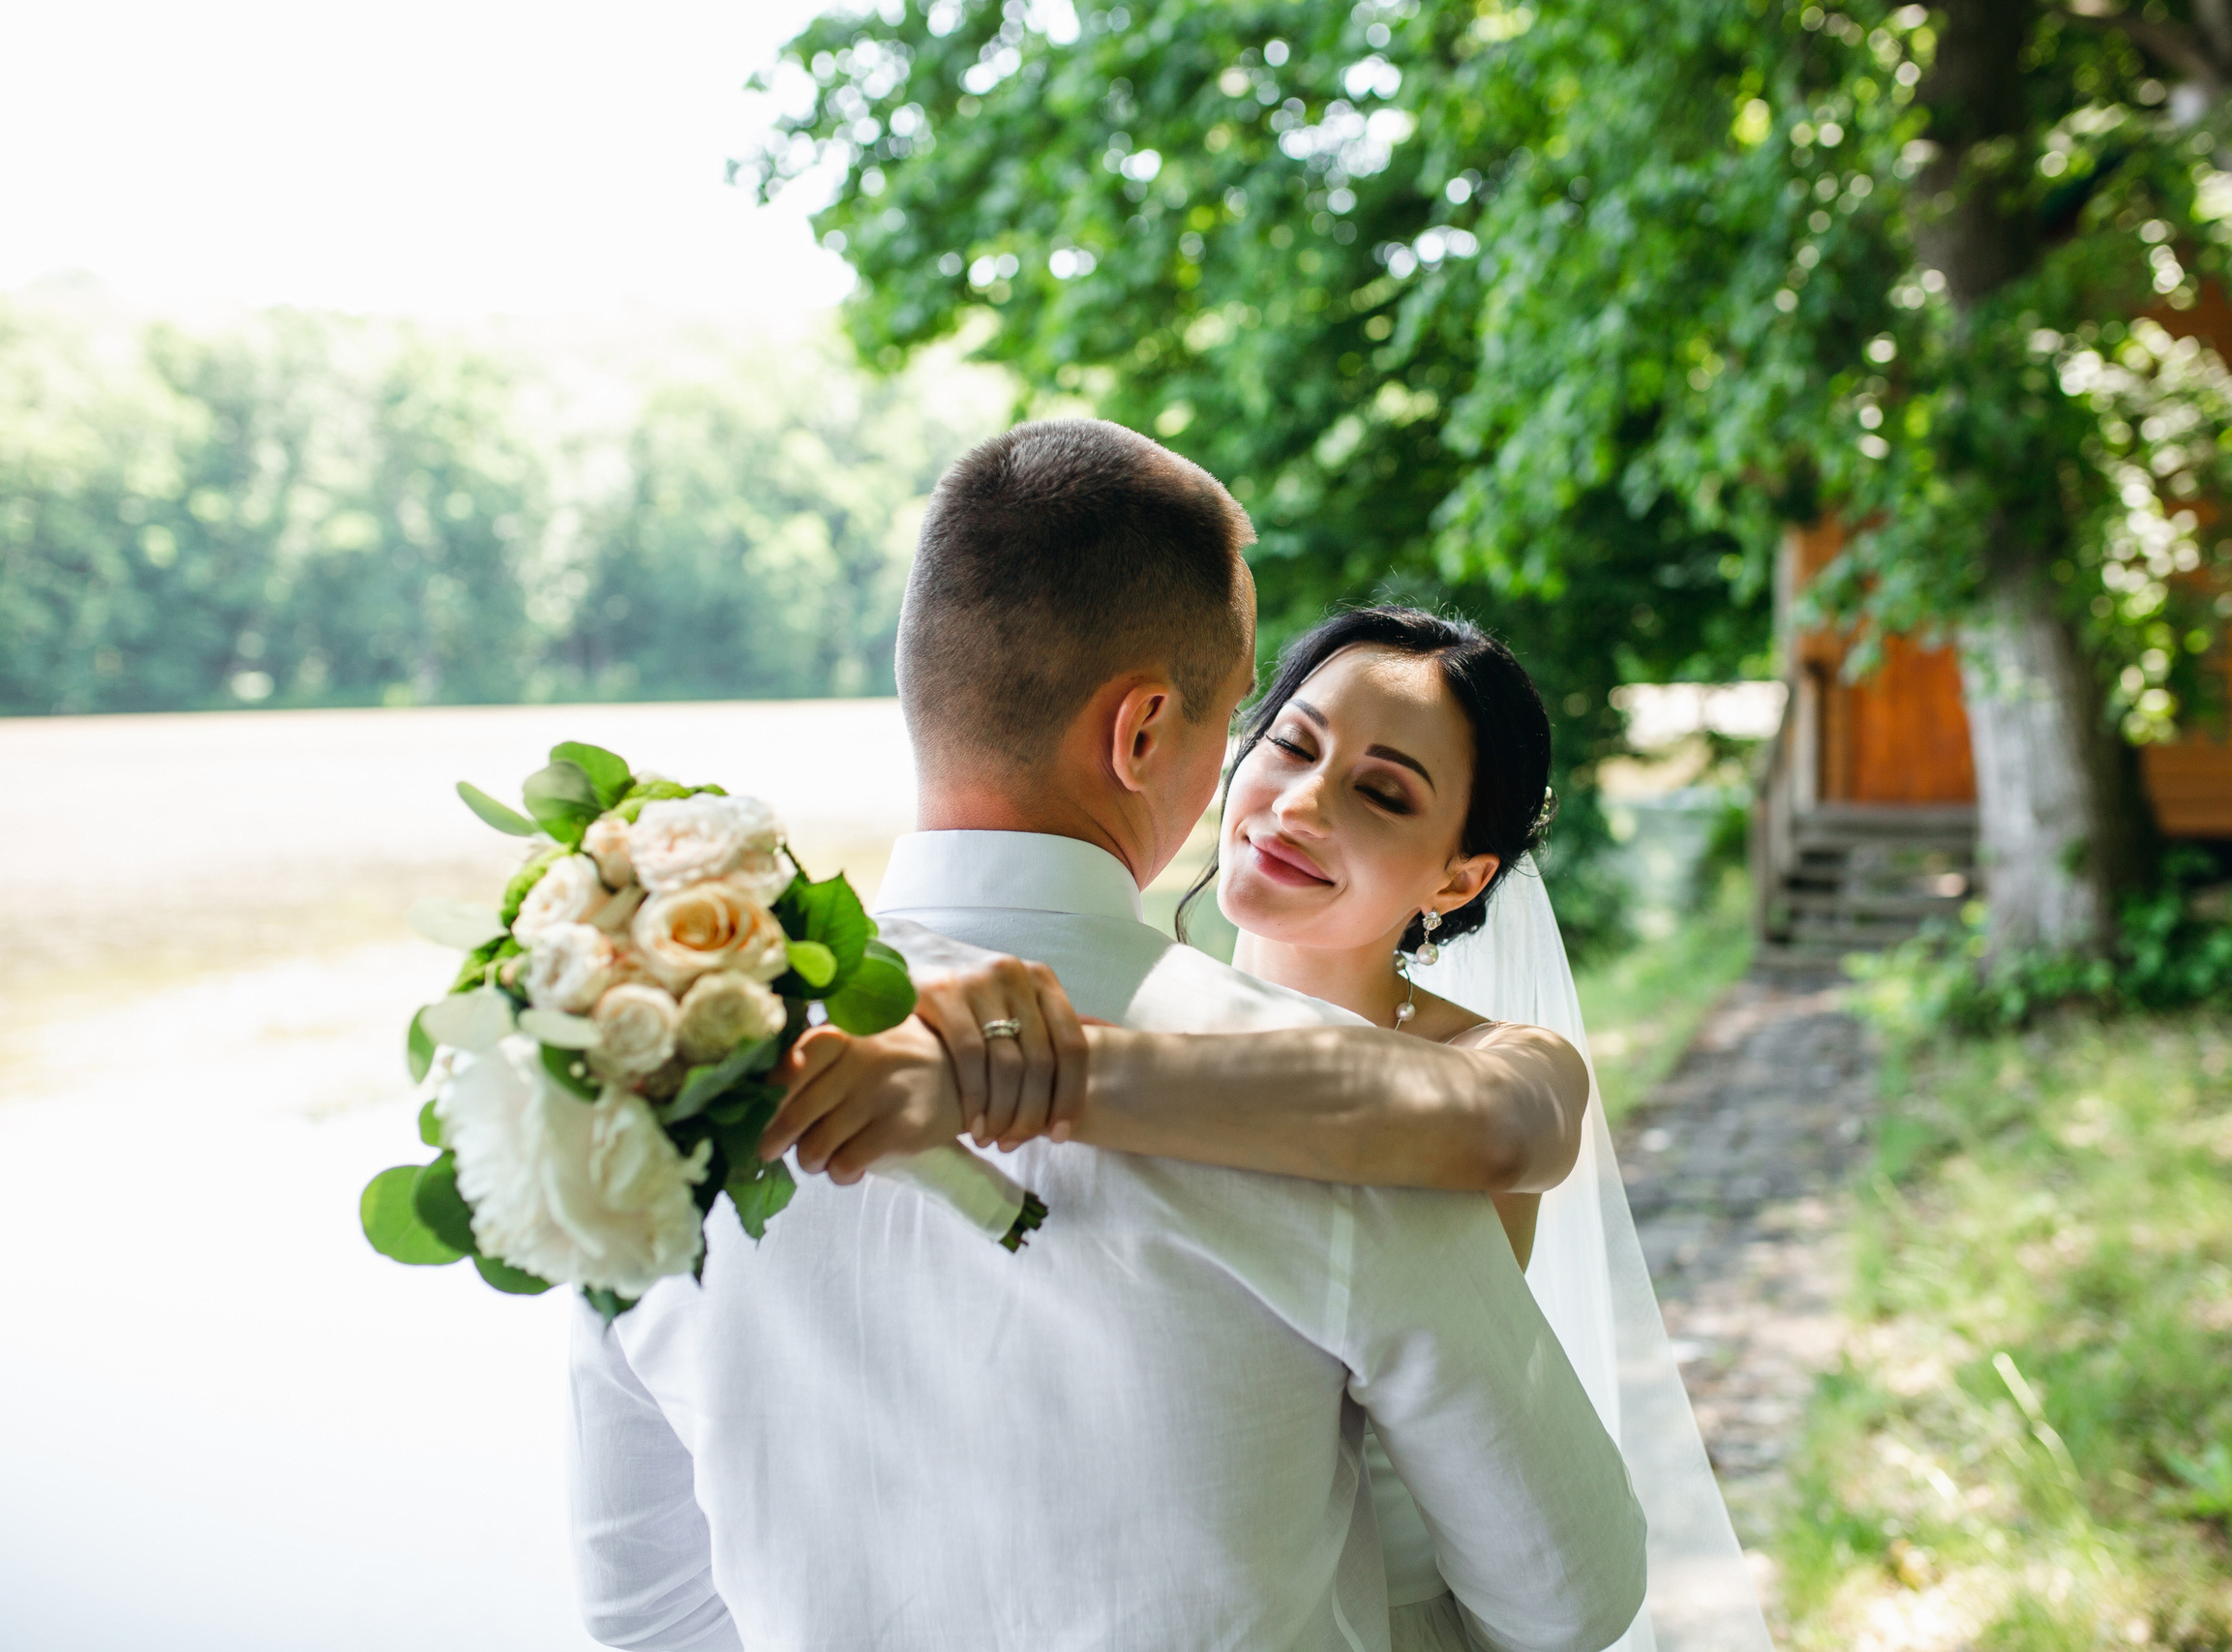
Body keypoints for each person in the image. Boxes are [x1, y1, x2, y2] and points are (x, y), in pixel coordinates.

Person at [567, 418, 1648, 1652]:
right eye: (1267, 726)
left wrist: (1040, 1075)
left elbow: (644, 1614)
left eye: (1382, 787)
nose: (1291, 799)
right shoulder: (1341, 1135)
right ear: (1143, 733)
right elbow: (1570, 1593)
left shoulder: (664, 1065)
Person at [772, 608, 1776, 1652]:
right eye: (1291, 745)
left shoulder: (1503, 1063)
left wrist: (1017, 1078)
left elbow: (1491, 1127)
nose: (1299, 804)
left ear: (1458, 877)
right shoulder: (1133, 992)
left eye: (1382, 793)